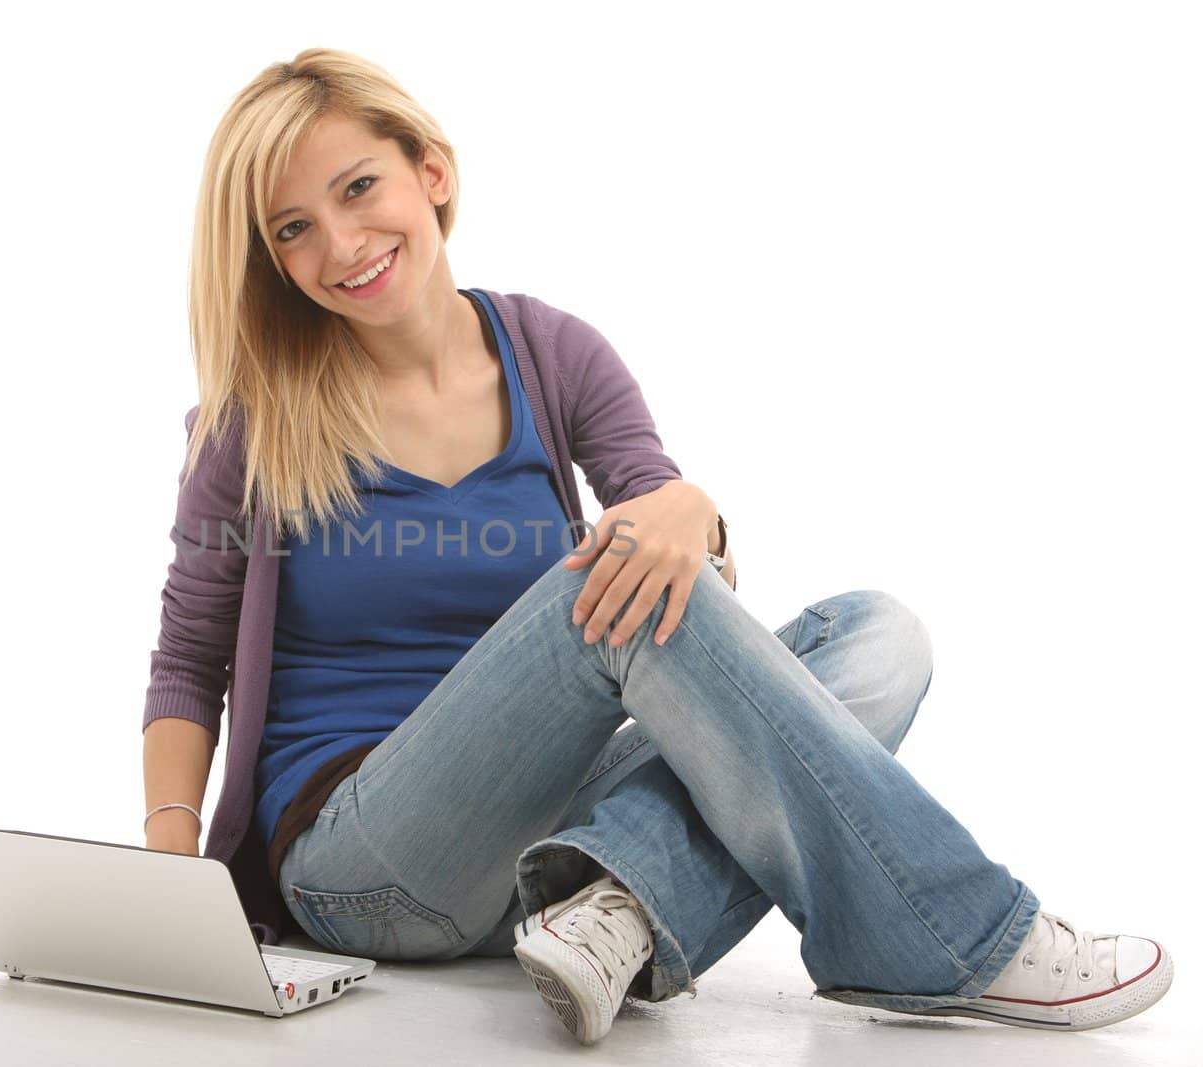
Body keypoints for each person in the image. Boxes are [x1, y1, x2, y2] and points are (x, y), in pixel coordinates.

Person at [140, 48, 1173, 1045]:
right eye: (294, 229)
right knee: (588, 596)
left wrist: (693, 509)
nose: (342, 242)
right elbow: (189, 661)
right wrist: (168, 881)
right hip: (363, 860)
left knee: (876, 634)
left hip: (540, 840)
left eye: (358, 187)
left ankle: (615, 904)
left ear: (431, 169)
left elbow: (678, 581)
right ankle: (960, 934)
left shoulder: (552, 354)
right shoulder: (255, 421)